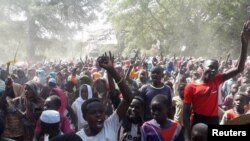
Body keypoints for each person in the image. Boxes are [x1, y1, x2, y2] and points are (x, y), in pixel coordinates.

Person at [183, 20, 250, 141]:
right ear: (202, 68)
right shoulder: (191, 87)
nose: (213, 71)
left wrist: (244, 44)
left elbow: (239, 68)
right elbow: (186, 114)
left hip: (213, 120)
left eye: (216, 69)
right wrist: (187, 138)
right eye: (210, 68)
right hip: (198, 120)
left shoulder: (217, 79)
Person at [64, 52, 133, 141]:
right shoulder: (78, 138)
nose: (99, 115)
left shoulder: (110, 124)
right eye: (93, 113)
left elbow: (128, 98)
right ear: (85, 117)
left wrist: (111, 70)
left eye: (101, 111)